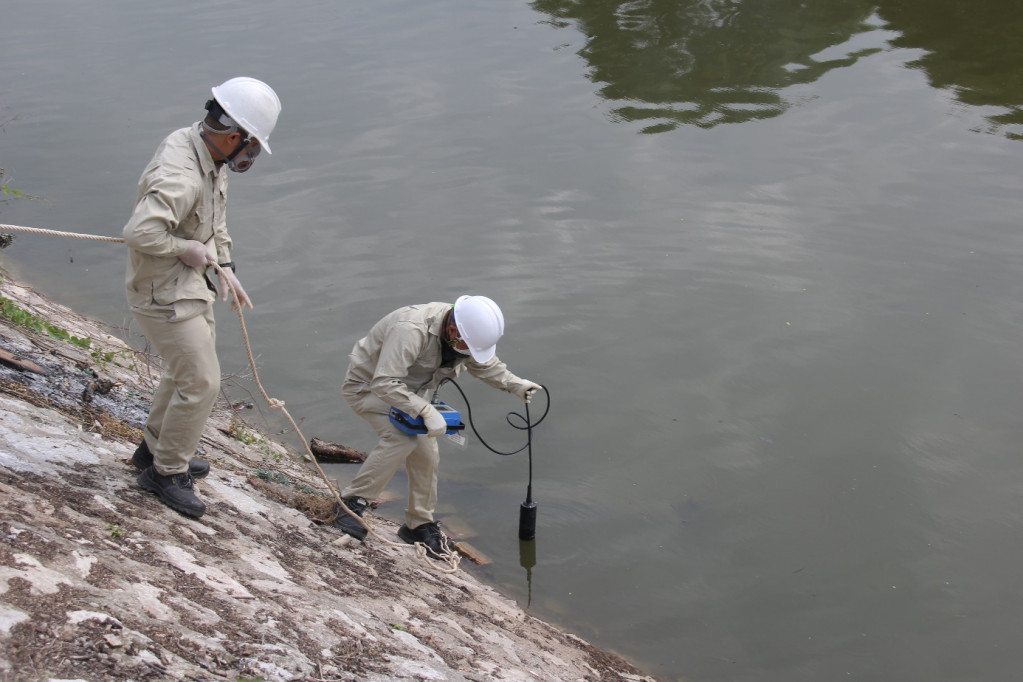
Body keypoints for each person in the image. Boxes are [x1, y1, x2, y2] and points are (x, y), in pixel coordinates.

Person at [122, 77, 282, 519]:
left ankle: (153, 451)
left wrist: (225, 266)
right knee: (202, 381)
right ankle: (165, 473)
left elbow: (216, 221)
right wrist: (184, 249)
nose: (248, 156)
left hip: (190, 283)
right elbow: (139, 232)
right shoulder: (181, 176)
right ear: (235, 136)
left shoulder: (205, 148)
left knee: (184, 373)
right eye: (250, 146)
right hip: (162, 289)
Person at [334, 296, 541, 558]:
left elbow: (482, 363)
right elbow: (384, 382)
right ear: (453, 330)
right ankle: (352, 504)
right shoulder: (410, 330)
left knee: (427, 450)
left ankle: (417, 524)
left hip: (408, 393)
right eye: (466, 345)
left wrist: (515, 384)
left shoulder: (463, 334)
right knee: (402, 439)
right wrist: (424, 409)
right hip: (368, 388)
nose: (468, 351)